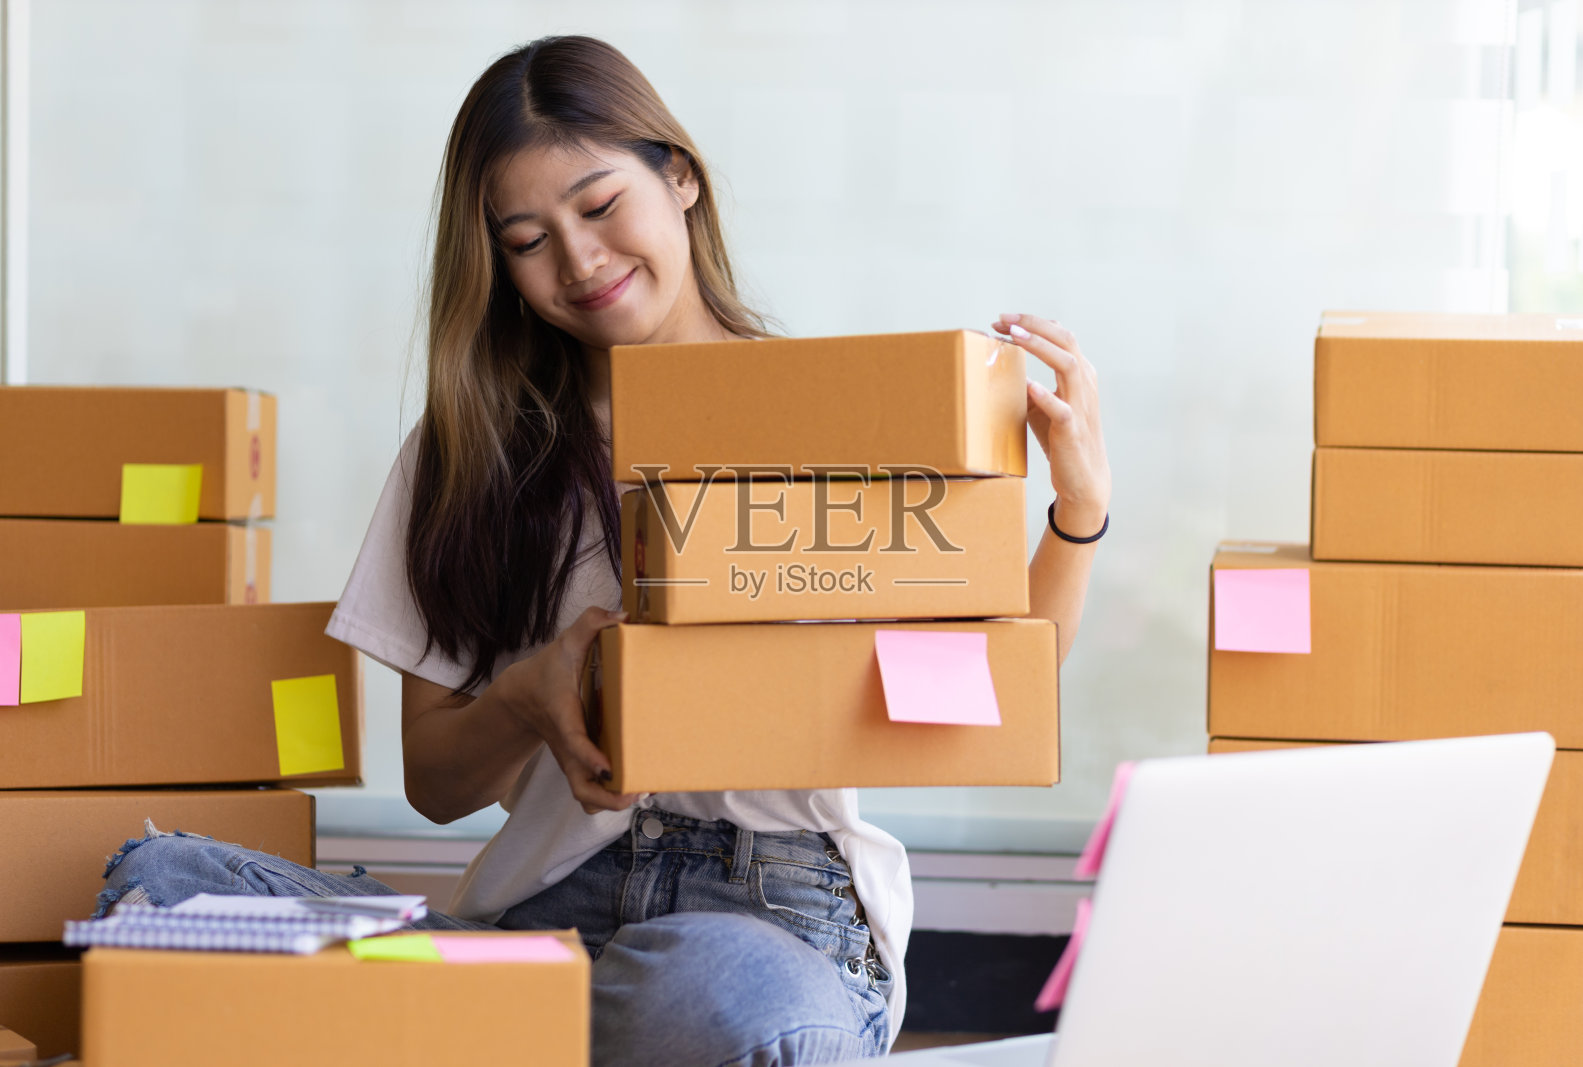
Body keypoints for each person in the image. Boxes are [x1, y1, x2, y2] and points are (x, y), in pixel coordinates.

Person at [91, 34, 1111, 1067]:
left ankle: (470, 1024)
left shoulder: (832, 408)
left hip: (763, 913)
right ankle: (507, 1011)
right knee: (161, 878)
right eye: (527, 238)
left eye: (597, 205)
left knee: (718, 1001)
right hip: (541, 907)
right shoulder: (469, 450)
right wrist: (525, 695)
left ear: (680, 179)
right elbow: (437, 782)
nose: (578, 261)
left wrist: (1077, 505)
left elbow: (991, 689)